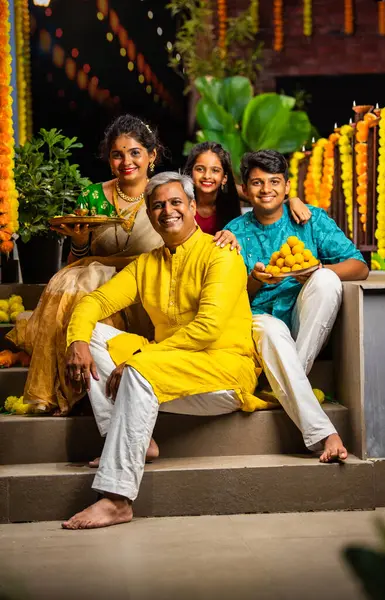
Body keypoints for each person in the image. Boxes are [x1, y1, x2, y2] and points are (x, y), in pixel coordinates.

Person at [62, 172, 264, 530]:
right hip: (170, 365)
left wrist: (143, 359)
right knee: (93, 334)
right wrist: (76, 340)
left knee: (140, 370)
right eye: (157, 206)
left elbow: (208, 329)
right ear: (150, 215)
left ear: (191, 207)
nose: (167, 211)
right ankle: (128, 442)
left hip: (224, 370)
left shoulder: (222, 255)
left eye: (175, 203)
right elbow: (96, 300)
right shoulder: (147, 264)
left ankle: (117, 498)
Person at [5, 117, 238, 416]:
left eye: (135, 153)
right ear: (109, 159)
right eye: (117, 154)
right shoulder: (92, 196)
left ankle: (89, 391)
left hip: (145, 289)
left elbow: (197, 238)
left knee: (80, 289)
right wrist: (78, 241)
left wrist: (232, 233)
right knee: (72, 286)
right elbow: (77, 259)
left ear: (151, 156)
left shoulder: (164, 196)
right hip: (94, 280)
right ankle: (66, 388)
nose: (126, 161)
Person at [225, 150, 369, 463]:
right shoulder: (235, 231)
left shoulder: (310, 219)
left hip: (307, 321)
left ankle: (287, 384)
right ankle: (322, 432)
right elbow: (230, 296)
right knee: (272, 329)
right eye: (257, 183)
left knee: (327, 280)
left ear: (288, 187)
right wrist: (255, 280)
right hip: (261, 321)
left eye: (274, 182)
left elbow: (359, 266)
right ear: (246, 190)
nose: (266, 189)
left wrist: (316, 270)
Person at [184, 141, 311, 237]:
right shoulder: (179, 199)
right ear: (191, 172)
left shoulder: (234, 192)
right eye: (200, 169)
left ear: (224, 178)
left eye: (215, 170)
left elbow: (266, 198)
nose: (207, 176)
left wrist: (292, 201)